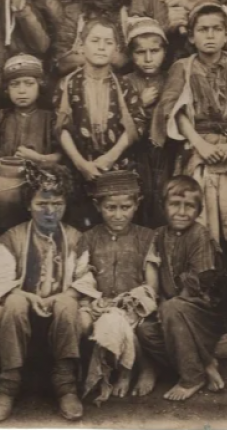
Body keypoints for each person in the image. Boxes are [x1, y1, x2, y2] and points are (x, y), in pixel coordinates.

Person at [151, 3, 227, 261]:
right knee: (201, 217)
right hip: (198, 153)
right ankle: (204, 272)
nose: (210, 35)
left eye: (217, 29)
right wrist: (201, 145)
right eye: (203, 30)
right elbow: (173, 109)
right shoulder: (182, 68)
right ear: (191, 36)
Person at [0, 164, 99, 422]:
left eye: (57, 204)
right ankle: (8, 385)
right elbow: (1, 283)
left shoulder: (75, 238)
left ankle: (65, 385)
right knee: (14, 302)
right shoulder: (11, 238)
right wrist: (29, 297)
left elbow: (85, 277)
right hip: (22, 311)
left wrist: (63, 296)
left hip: (60, 310)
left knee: (68, 304)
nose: (50, 211)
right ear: (28, 205)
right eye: (42, 204)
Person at [136, 176, 227, 402]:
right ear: (163, 206)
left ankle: (192, 377)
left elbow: (199, 285)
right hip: (170, 312)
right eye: (175, 204)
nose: (182, 212)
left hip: (200, 311)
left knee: (173, 309)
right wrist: (157, 303)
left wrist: (168, 307)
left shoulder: (199, 234)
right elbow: (153, 273)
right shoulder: (158, 235)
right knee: (145, 331)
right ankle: (205, 362)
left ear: (199, 211)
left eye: (189, 206)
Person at [53, 18, 146, 229]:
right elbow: (60, 127)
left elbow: (137, 124)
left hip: (117, 167)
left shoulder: (124, 84)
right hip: (79, 168)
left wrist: (109, 158)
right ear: (81, 45)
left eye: (108, 42)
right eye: (95, 41)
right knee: (81, 223)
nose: (101, 47)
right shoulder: (68, 84)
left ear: (116, 49)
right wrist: (81, 164)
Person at [77, 171, 159, 405]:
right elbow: (83, 276)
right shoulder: (89, 238)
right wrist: (91, 300)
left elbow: (152, 286)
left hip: (135, 305)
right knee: (85, 320)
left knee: (125, 320)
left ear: (137, 204)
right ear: (98, 206)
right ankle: (87, 374)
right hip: (101, 305)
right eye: (110, 208)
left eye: (125, 207)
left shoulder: (147, 237)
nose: (118, 215)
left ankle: (134, 369)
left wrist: (131, 300)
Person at [0, 54, 60, 230]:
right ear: (6, 89)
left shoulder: (50, 118)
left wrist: (39, 158)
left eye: (29, 83)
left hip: (42, 181)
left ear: (40, 85)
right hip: (6, 183)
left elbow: (61, 156)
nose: (22, 90)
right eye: (15, 84)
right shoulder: (0, 118)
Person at [123, 17, 170, 227]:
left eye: (155, 51)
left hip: (166, 153)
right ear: (131, 55)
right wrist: (139, 103)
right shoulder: (125, 82)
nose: (148, 58)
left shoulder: (171, 78)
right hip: (136, 154)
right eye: (141, 52)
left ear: (165, 52)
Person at [55, 0, 132, 76]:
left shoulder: (127, 13)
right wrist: (100, 58)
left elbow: (137, 56)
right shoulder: (74, 13)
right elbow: (61, 60)